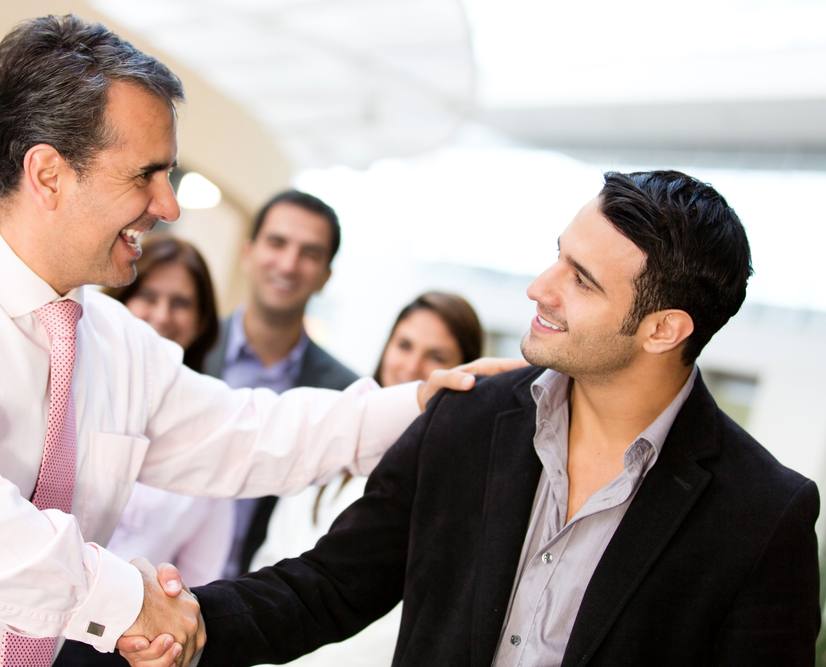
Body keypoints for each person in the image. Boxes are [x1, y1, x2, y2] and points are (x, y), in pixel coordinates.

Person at [0, 15, 516, 667]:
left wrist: (422, 405)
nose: (169, 205)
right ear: (48, 174)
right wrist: (126, 601)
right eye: (146, 175)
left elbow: (250, 434)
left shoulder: (117, 343)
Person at [124, 170, 820, 667]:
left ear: (664, 328)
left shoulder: (762, 514)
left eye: (581, 279)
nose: (539, 287)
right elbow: (328, 586)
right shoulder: (470, 416)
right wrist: (191, 622)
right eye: (558, 254)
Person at [248, 292, 484, 667]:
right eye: (404, 345)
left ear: (464, 369)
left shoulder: (465, 480)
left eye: (436, 356)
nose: (411, 366)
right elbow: (271, 557)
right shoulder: (338, 433)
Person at [202, 190, 360, 581]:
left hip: (255, 602)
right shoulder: (188, 352)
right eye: (277, 243)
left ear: (325, 276)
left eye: (309, 253)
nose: (289, 264)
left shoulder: (343, 395)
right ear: (248, 252)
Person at [102, 233, 232, 586]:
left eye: (181, 303)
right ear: (119, 302)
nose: (161, 316)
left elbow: (200, 582)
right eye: (147, 296)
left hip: (132, 636)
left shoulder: (214, 432)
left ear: (202, 322)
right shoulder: (78, 393)